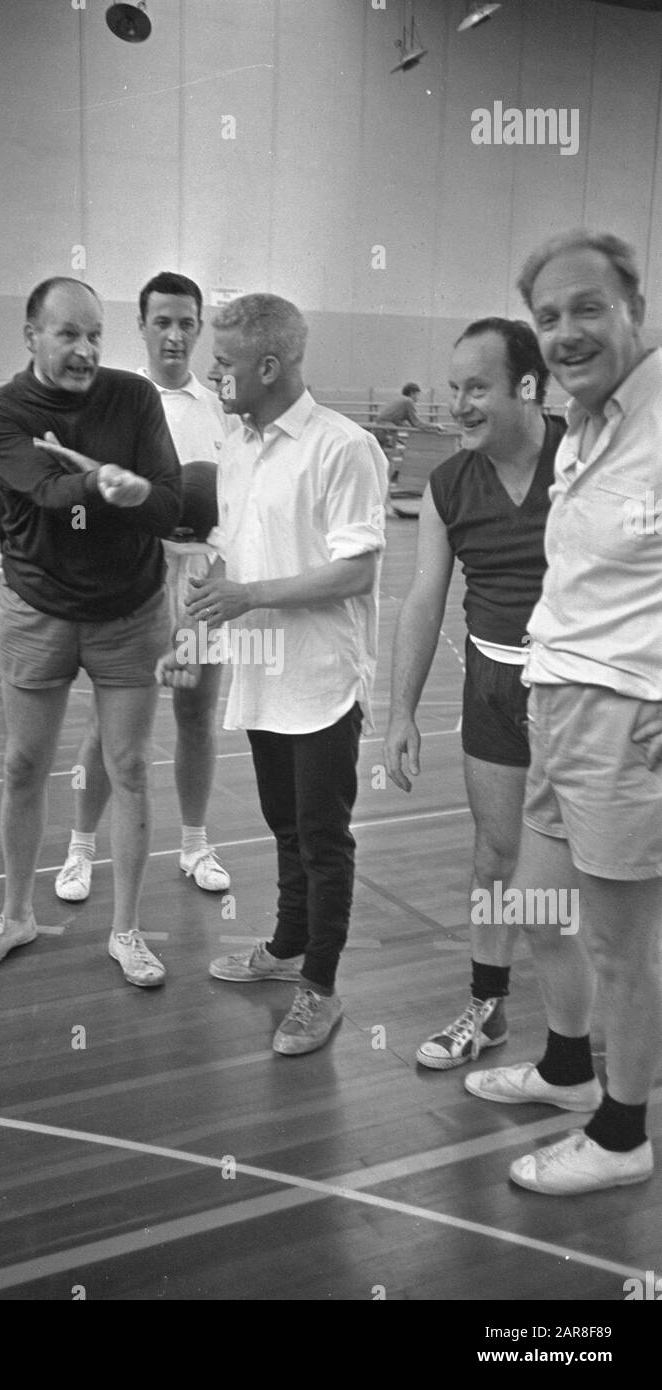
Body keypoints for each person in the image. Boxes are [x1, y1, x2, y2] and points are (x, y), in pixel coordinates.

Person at [465, 231, 662, 1194]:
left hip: (628, 720)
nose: (566, 332)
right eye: (548, 318)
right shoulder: (588, 424)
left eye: (587, 308)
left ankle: (623, 1136)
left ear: (634, 305)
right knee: (539, 909)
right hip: (555, 704)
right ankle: (568, 1070)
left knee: (620, 949)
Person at [159, 293, 388, 1055]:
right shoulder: (238, 445)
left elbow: (354, 572)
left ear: (268, 364)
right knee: (283, 825)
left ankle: (318, 989)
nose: (212, 373)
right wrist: (195, 624)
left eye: (222, 362)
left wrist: (247, 593)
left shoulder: (343, 447)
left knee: (323, 839)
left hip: (322, 682)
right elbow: (229, 550)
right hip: (260, 674)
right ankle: (288, 944)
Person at [0, 277, 181, 987]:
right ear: (30, 336)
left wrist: (140, 492)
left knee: (131, 770)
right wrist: (101, 483)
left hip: (131, 612)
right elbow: (46, 493)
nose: (85, 351)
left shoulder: (135, 398)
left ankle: (127, 931)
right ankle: (17, 913)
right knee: (23, 766)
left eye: (94, 336)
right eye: (67, 335)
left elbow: (170, 501)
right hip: (39, 610)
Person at [385, 319, 565, 1069]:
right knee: (497, 858)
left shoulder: (586, 457)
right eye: (451, 387)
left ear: (525, 387)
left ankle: (581, 1044)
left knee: (592, 875)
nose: (456, 403)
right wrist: (399, 712)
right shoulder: (446, 485)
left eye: (474, 387)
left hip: (582, 693)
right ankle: (486, 1007)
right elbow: (424, 600)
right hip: (493, 686)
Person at [54, 272, 233, 904]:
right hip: (136, 578)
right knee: (112, 728)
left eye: (187, 322)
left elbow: (237, 498)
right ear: (142, 326)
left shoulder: (218, 409)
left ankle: (194, 843)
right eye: (163, 322)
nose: (176, 335)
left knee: (196, 716)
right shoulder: (115, 402)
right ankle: (80, 847)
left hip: (204, 580)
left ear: (199, 327)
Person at [374, 382, 444, 447]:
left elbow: (405, 422)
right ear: (412, 394)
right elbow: (417, 423)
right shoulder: (408, 401)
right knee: (398, 446)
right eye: (417, 395)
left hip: (381, 428)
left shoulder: (402, 400)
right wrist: (435, 426)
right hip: (385, 429)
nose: (418, 398)